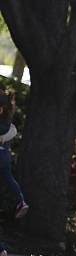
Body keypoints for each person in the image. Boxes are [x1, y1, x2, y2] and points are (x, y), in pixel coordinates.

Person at [0, 89, 29, 221]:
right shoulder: (7, 121)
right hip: (5, 155)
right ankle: (21, 201)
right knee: (9, 177)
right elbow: (13, 130)